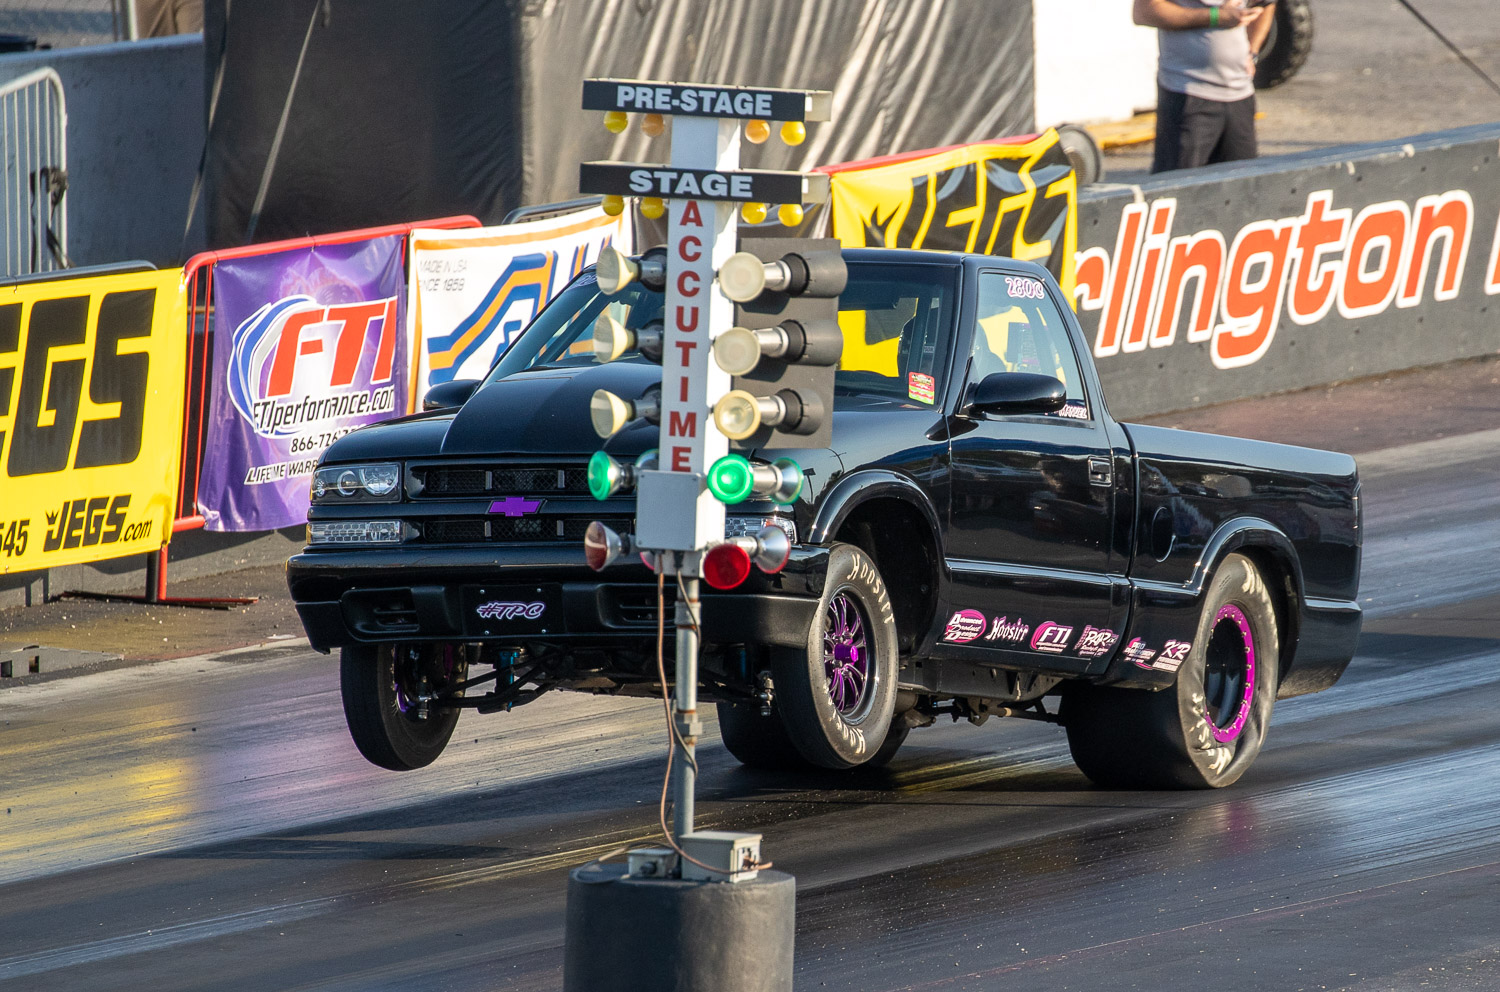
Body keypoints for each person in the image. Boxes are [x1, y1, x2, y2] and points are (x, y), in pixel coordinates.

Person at [1133, 0, 1276, 173]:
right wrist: (1216, 17)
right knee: (1180, 184)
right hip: (1187, 93)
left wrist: (1252, 51)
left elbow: (1266, 3)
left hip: (1240, 96)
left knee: (1241, 183)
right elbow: (1144, 11)